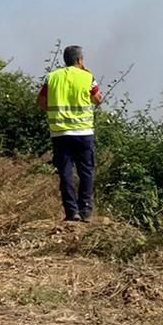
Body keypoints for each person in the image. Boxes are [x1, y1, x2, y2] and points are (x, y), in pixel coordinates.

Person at [37, 45, 103, 222]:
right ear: (80, 60)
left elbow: (41, 102)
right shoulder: (87, 76)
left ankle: (71, 212)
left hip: (60, 133)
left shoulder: (52, 77)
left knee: (65, 172)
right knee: (86, 171)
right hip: (83, 132)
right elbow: (98, 99)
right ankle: (86, 211)